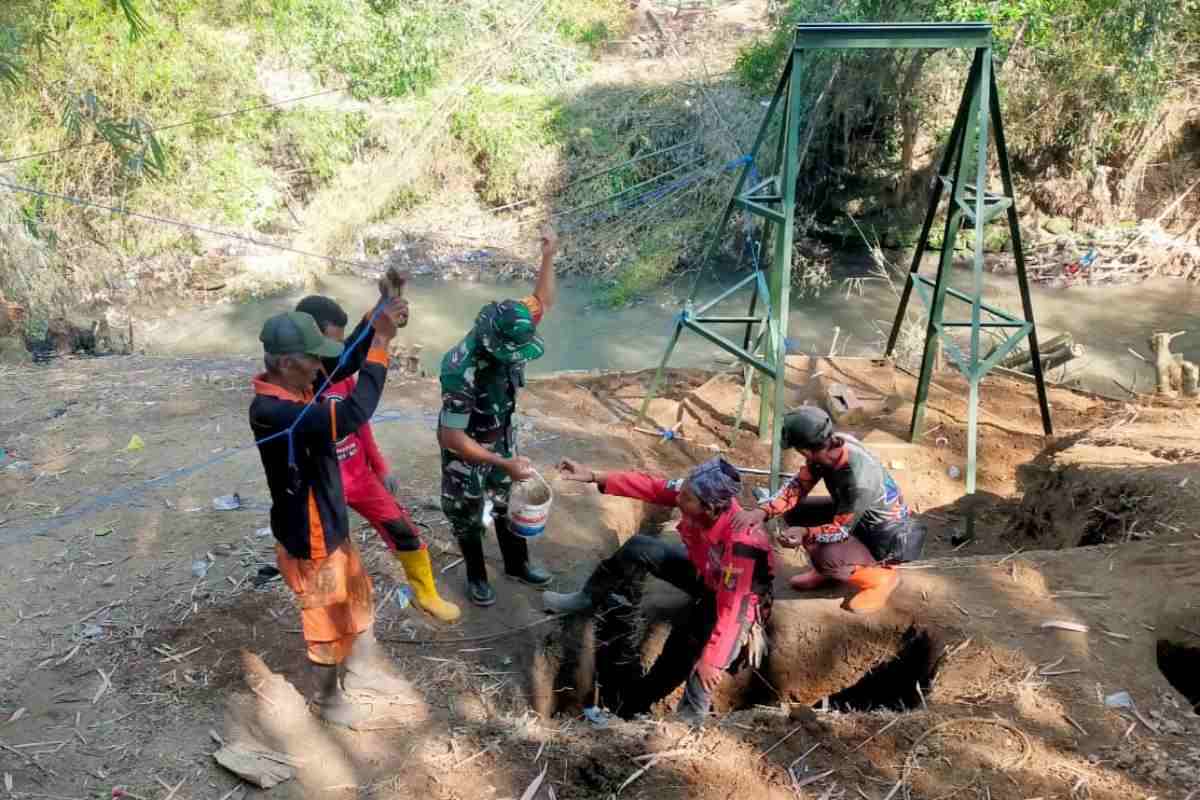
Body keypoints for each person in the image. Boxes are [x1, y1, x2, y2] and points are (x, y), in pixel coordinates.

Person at [249, 301, 412, 727]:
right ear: (287, 362)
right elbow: (356, 411)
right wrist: (381, 344)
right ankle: (327, 699)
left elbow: (343, 362)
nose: (321, 364)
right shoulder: (275, 411)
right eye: (313, 356)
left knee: (357, 594)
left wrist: (375, 319)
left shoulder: (299, 382)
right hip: (309, 532)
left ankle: (362, 670)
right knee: (324, 619)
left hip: (330, 517)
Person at [544, 457, 774, 722]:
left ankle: (686, 726)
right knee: (640, 547)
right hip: (706, 574)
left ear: (709, 508)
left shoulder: (742, 544)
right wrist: (595, 474)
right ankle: (587, 599)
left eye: (686, 498)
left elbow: (733, 613)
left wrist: (713, 659)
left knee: (693, 663)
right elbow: (653, 487)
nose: (678, 499)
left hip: (735, 603)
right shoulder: (699, 495)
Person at [295, 295, 461, 624]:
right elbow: (355, 399)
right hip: (322, 485)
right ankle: (340, 621)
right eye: (330, 343)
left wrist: (380, 308)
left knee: (404, 530)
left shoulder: (339, 369)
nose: (336, 351)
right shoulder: (295, 384)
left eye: (339, 344)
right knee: (331, 557)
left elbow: (361, 426)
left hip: (358, 475)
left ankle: (425, 594)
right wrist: (381, 338)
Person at [438, 228, 559, 606]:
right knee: (467, 512)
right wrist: (499, 462)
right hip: (469, 451)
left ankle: (516, 565)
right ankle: (476, 576)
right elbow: (451, 438)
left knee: (508, 500)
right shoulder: (460, 369)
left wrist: (548, 257)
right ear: (491, 343)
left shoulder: (514, 320)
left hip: (502, 435)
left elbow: (543, 300)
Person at [733, 406, 926, 614]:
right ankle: (828, 572)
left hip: (882, 538)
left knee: (825, 554)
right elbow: (799, 486)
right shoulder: (830, 447)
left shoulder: (858, 479)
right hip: (857, 517)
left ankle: (881, 578)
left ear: (805, 450)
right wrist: (761, 512)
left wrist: (805, 533)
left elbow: (840, 530)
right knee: (796, 513)